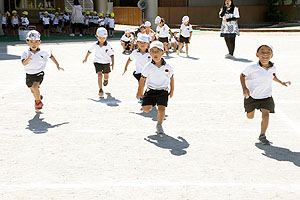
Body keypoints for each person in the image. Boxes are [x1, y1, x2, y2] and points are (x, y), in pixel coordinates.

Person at [240, 44, 291, 145]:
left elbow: (272, 76)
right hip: (252, 96)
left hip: (266, 96)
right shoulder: (252, 67)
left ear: (272, 55)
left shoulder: (273, 67)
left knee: (266, 115)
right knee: (250, 117)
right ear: (257, 54)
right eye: (262, 51)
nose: (265, 54)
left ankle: (262, 135)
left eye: (268, 52)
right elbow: (242, 75)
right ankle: (252, 110)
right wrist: (244, 88)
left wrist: (281, 82)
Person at [136, 41, 174, 136]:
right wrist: (139, 91)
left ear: (163, 52)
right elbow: (142, 79)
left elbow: (171, 78)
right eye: (152, 51)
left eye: (158, 51)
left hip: (163, 90)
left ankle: (159, 124)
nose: (155, 54)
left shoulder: (168, 67)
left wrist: (172, 90)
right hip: (151, 90)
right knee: (145, 109)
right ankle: (152, 103)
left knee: (161, 109)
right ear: (150, 53)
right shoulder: (148, 66)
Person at [21, 30, 64, 111]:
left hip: (39, 72)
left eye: (36, 42)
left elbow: (51, 56)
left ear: (39, 42)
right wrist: (28, 59)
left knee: (35, 86)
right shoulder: (25, 53)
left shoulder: (43, 52)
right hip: (29, 74)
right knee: (33, 91)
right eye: (31, 42)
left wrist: (57, 65)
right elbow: (24, 63)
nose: (34, 44)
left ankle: (38, 102)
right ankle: (39, 97)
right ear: (27, 42)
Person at [82, 27, 114, 97]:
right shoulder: (95, 45)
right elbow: (89, 51)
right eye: (100, 38)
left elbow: (112, 54)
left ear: (106, 37)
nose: (102, 39)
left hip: (106, 62)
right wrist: (85, 58)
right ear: (97, 37)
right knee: (99, 75)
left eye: (104, 38)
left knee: (106, 75)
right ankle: (100, 89)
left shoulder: (108, 46)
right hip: (97, 62)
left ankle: (106, 80)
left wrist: (113, 63)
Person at [123, 34, 151, 103]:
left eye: (144, 43)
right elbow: (129, 59)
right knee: (142, 85)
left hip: (149, 73)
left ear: (148, 44)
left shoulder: (150, 53)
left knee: (148, 85)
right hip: (138, 73)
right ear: (137, 43)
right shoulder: (135, 52)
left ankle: (144, 96)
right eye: (140, 42)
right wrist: (126, 67)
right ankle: (141, 97)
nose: (142, 44)